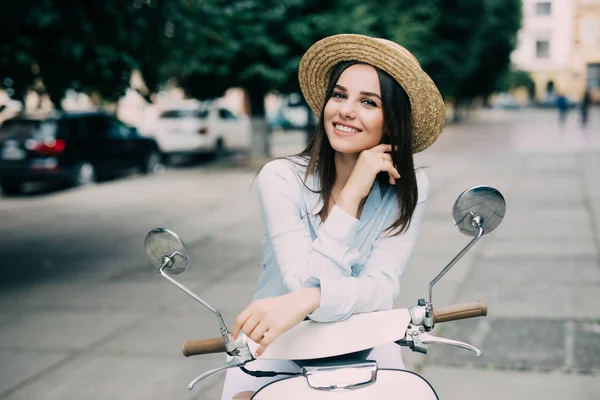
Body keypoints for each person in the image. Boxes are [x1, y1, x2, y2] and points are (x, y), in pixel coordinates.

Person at [221, 34, 446, 400]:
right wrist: (353, 194)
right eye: (339, 95)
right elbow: (300, 282)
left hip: (364, 345)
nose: (345, 110)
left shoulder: (410, 187)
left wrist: (309, 301)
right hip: (277, 347)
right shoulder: (281, 177)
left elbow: (381, 288)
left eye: (368, 102)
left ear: (391, 123)